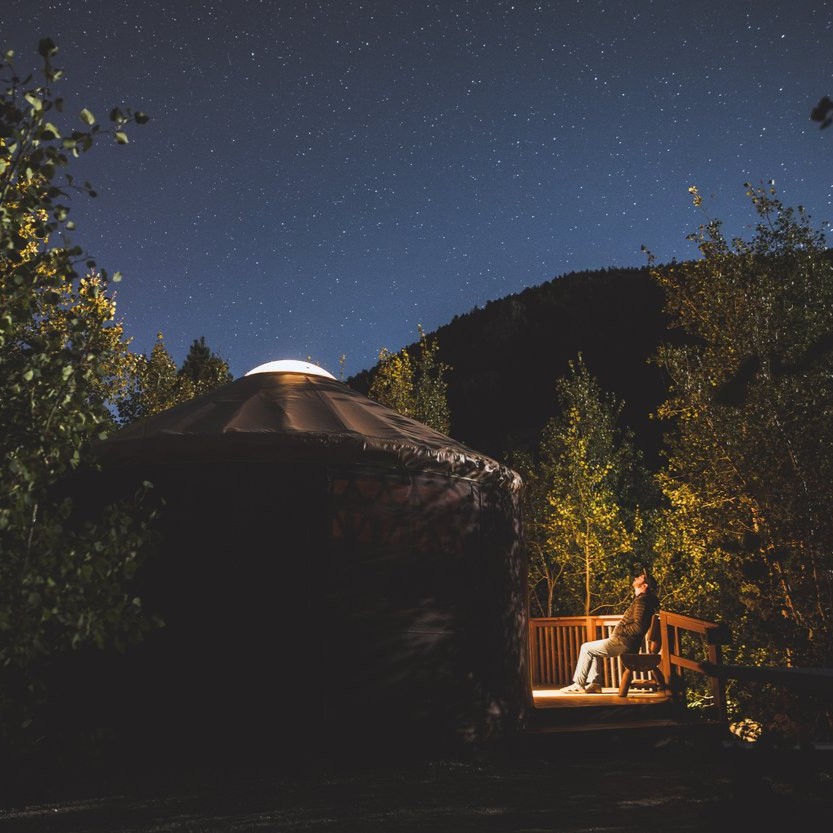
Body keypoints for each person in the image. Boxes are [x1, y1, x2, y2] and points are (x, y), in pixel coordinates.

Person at [560, 571, 659, 694]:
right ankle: (595, 684)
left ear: (644, 586)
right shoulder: (642, 601)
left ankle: (578, 685)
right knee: (592, 650)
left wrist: (620, 629)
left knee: (586, 648)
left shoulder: (642, 602)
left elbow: (638, 627)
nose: (636, 578)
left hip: (623, 642)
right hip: (627, 642)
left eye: (640, 578)